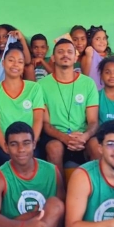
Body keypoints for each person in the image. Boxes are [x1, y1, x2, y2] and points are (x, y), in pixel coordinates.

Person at [39, 39, 99, 173]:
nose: (65, 54)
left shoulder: (88, 83)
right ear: (53, 58)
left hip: (82, 137)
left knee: (96, 146)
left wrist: (84, 136)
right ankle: (59, 186)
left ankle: (95, 186)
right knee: (54, 148)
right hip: (56, 136)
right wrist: (65, 138)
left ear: (75, 57)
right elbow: (46, 124)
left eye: (69, 52)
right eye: (60, 52)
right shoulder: (41, 85)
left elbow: (93, 121)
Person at [0, 42, 46, 166]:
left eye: (20, 62)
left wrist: (31, 144)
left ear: (23, 66)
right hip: (4, 145)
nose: (15, 65)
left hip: (30, 143)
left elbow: (38, 120)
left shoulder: (34, 88)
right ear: (3, 63)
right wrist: (5, 146)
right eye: (11, 60)